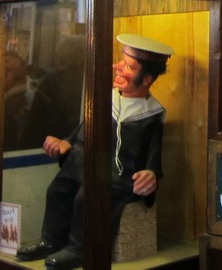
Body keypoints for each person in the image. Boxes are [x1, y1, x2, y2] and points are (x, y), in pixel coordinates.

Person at [15, 33, 174, 269]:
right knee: (58, 189)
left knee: (87, 197)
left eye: (129, 66)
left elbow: (154, 154)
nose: (117, 68)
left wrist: (151, 174)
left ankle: (80, 248)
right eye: (122, 61)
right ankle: (51, 241)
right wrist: (66, 143)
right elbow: (84, 129)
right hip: (88, 165)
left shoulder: (151, 115)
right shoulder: (106, 99)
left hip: (118, 176)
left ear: (147, 78)